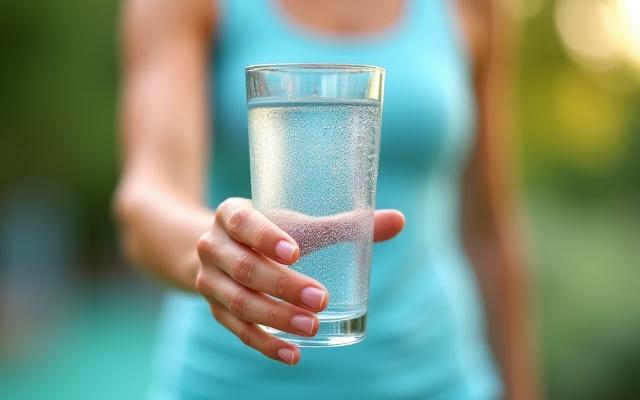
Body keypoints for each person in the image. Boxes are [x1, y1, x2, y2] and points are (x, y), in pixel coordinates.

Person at [115, 0, 538, 398]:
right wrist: (220, 251)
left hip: (439, 381)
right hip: (233, 384)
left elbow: (487, 229)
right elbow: (147, 199)